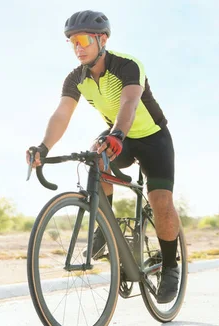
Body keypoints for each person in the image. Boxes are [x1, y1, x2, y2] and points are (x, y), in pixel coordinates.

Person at [26, 10, 181, 304]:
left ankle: (171, 266)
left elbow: (129, 103)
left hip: (152, 139)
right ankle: (104, 226)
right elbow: (61, 114)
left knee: (161, 201)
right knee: (95, 156)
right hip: (117, 136)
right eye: (72, 42)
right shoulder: (76, 78)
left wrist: (118, 135)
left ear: (103, 39)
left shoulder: (126, 65)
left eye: (83, 40)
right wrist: (43, 147)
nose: (78, 47)